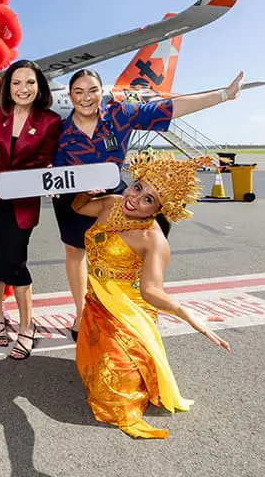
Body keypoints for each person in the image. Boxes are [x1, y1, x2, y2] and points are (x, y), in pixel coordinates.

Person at [53, 68, 245, 340]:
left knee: (139, 242)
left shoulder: (120, 114)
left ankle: (129, 300)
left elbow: (169, 108)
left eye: (92, 90)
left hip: (113, 195)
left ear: (102, 92)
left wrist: (224, 94)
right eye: (78, 91)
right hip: (74, 198)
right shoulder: (59, 129)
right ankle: (81, 311)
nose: (86, 98)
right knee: (75, 252)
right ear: (70, 95)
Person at [70, 151, 230, 439]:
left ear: (159, 209)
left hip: (128, 312)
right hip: (96, 300)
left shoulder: (154, 241)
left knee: (115, 392)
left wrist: (186, 313)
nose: (135, 198)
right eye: (138, 187)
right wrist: (84, 190)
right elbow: (79, 207)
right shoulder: (110, 203)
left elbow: (152, 291)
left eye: (148, 199)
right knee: (92, 373)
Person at [0, 59, 61, 360]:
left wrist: (51, 175)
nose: (23, 89)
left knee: (16, 263)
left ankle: (27, 326)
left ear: (39, 87)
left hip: (22, 203)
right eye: (16, 82)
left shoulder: (50, 121)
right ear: (7, 87)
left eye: (30, 83)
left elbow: (48, 161)